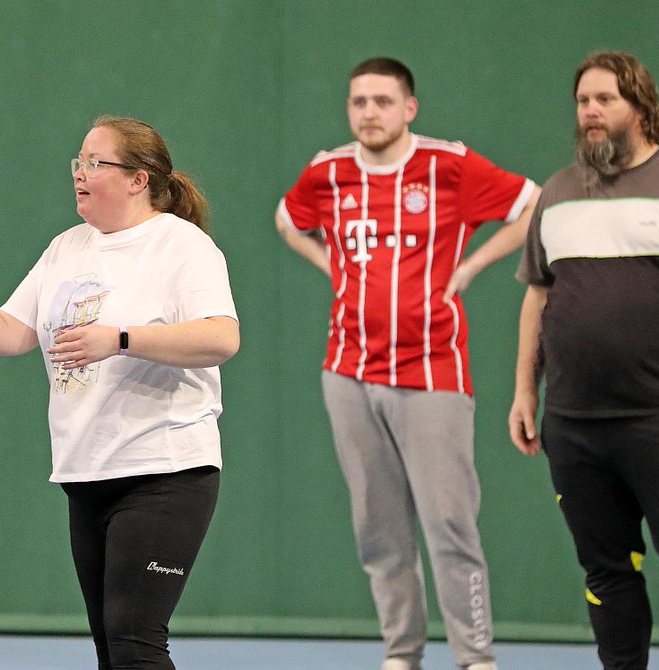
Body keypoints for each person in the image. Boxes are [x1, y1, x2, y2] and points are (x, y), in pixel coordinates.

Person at [0, 116, 239, 670]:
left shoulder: (182, 246)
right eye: (78, 162)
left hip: (164, 471)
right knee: (112, 652)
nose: (80, 174)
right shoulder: (67, 247)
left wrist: (118, 339)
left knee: (136, 644)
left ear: (138, 179)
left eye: (96, 163)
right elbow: (11, 331)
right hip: (86, 473)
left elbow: (221, 337)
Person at [276, 57, 539, 670]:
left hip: (431, 374)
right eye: (359, 102)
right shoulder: (329, 173)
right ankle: (401, 652)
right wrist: (331, 267)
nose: (370, 112)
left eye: (383, 101)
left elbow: (534, 206)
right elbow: (289, 222)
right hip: (346, 372)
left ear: (408, 108)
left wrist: (471, 265)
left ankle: (475, 657)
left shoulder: (448, 167)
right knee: (378, 530)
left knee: (450, 524)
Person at [509, 51, 659, 669]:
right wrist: (523, 393)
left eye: (604, 100)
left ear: (641, 107)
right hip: (574, 425)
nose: (590, 112)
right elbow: (537, 299)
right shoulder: (558, 194)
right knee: (607, 571)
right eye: (582, 101)